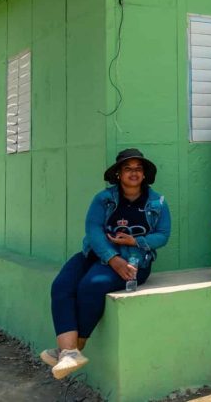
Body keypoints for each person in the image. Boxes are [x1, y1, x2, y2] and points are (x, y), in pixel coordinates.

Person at [42, 149, 171, 379]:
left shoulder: (157, 203)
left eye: (138, 169)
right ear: (118, 174)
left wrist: (135, 240)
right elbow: (93, 229)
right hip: (95, 254)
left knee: (92, 285)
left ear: (144, 174)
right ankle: (69, 352)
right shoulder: (104, 199)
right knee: (61, 285)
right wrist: (112, 258)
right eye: (128, 168)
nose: (134, 173)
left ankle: (70, 351)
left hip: (135, 262)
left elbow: (163, 235)